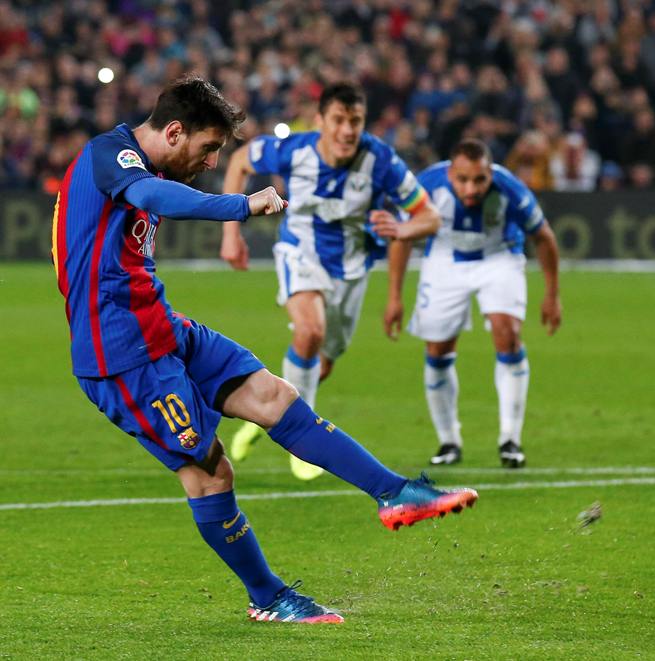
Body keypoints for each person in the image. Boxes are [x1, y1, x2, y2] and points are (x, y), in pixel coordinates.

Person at [51, 75, 476, 624]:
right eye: (207, 149)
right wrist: (240, 206)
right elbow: (153, 197)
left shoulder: (138, 164)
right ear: (174, 132)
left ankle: (394, 493)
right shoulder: (111, 157)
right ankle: (269, 597)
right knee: (209, 473)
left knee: (275, 396)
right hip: (122, 357)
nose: (208, 161)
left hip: (161, 326)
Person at [219, 81, 442, 480]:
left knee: (320, 364)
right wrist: (231, 232)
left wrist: (404, 230)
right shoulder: (295, 150)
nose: (346, 130)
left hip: (352, 272)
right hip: (299, 254)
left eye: (354, 121)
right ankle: (303, 442)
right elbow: (239, 162)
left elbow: (429, 216)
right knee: (309, 331)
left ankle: (261, 415)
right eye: (338, 120)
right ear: (321, 120)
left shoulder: (381, 161)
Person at [384, 138, 562, 467]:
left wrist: (552, 296)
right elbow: (402, 236)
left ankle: (510, 438)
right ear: (450, 173)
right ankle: (448, 441)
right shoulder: (428, 185)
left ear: (489, 173)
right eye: (463, 179)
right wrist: (394, 296)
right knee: (437, 349)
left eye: (479, 179)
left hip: (499, 257)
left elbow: (544, 237)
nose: (471, 188)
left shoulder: (510, 188)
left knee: (507, 334)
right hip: (444, 261)